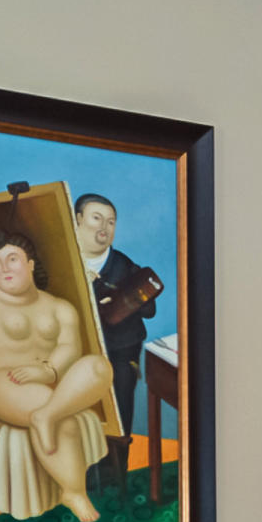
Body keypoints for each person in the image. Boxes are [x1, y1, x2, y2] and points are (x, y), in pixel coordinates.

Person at [0, 226, 114, 522]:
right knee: (61, 420)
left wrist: (46, 370)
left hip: (42, 378)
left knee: (99, 368)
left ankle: (46, 415)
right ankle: (73, 491)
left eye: (12, 259)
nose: (3, 268)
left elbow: (69, 348)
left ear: (31, 264)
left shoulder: (60, 308)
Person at [72, 194, 163, 456]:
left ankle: (116, 472)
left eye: (111, 222)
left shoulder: (126, 267)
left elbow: (150, 310)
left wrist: (125, 300)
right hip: (74, 355)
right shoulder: (65, 263)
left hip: (119, 357)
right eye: (96, 218)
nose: (104, 227)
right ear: (78, 220)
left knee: (117, 424)